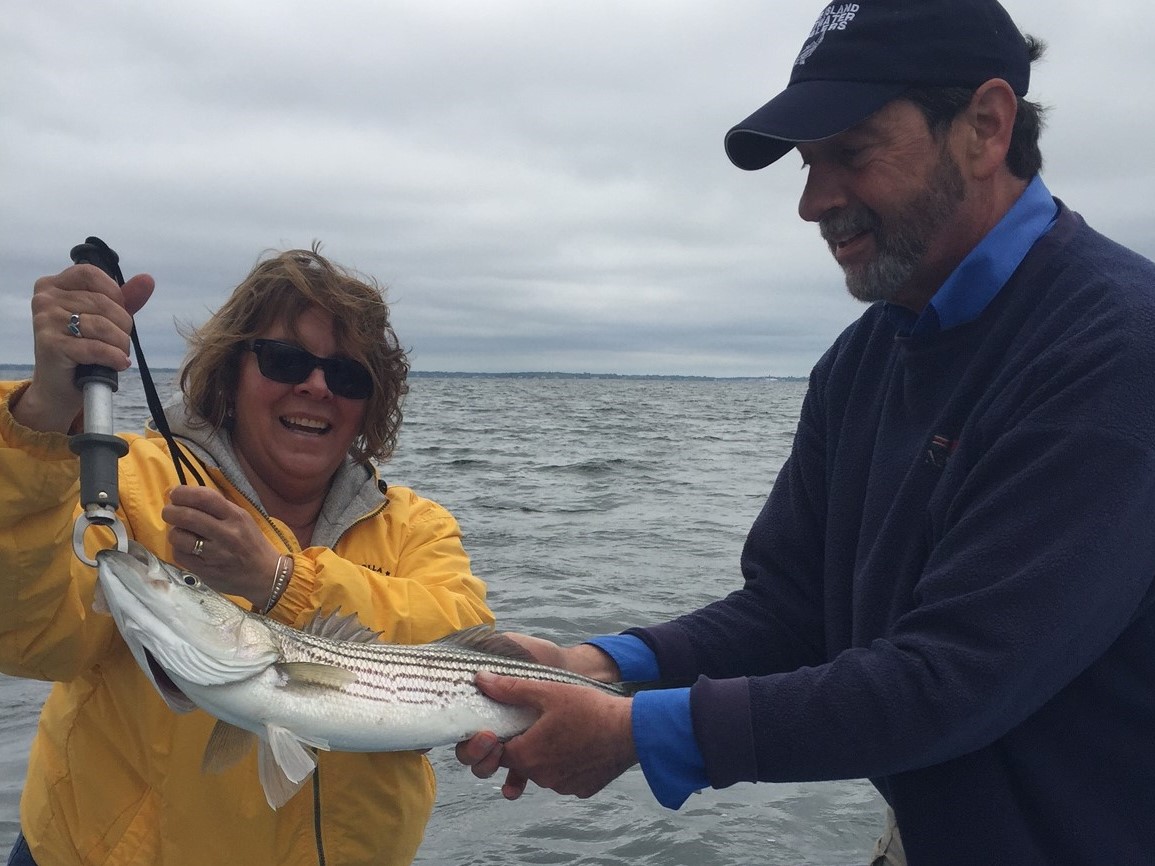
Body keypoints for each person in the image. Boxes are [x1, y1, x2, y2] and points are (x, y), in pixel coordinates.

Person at [455, 1, 1155, 864]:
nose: (812, 202)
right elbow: (793, 608)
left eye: (850, 153)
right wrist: (598, 666)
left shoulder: (1114, 349)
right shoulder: (861, 363)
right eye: (807, 163)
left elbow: (956, 677)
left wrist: (636, 732)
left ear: (984, 126)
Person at [0, 245, 495, 866]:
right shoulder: (127, 481)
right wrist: (44, 415)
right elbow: (29, 639)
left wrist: (281, 580)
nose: (316, 386)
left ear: (372, 402)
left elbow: (467, 640)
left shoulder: (415, 524)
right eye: (286, 360)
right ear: (230, 373)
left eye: (348, 376)